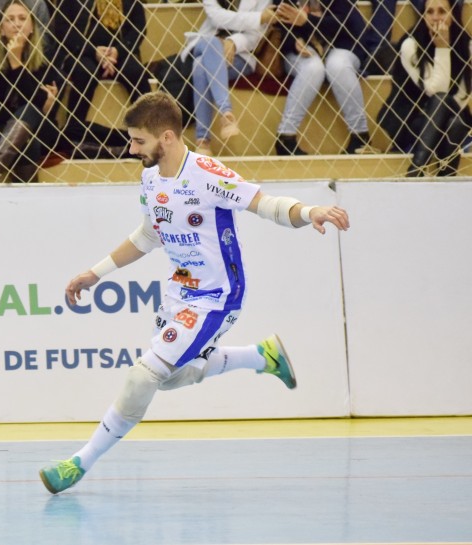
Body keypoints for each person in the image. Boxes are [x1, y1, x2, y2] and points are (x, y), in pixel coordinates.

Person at [38, 91, 350, 494]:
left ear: (166, 137)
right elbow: (149, 235)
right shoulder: (151, 177)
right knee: (166, 379)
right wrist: (95, 273)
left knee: (142, 377)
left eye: (139, 141)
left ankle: (78, 463)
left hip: (217, 297)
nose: (132, 150)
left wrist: (310, 212)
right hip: (178, 293)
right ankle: (260, 356)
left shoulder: (207, 174)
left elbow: (266, 204)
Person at [0, 0, 60, 183]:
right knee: (28, 140)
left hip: (39, 131)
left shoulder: (44, 59)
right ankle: (27, 197)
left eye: (22, 18)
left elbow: (49, 110)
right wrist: (38, 104)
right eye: (10, 19)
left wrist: (16, 63)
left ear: (32, 27)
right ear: (1, 29)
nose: (16, 23)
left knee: (30, 114)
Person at [377, 0, 471, 177]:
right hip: (410, 119)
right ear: (423, 15)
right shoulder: (410, 44)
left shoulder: (467, 45)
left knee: (456, 124)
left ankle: (424, 171)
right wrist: (442, 48)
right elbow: (435, 91)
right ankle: (433, 173)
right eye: (430, 12)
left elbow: (462, 96)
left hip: (450, 120)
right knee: (446, 108)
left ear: (453, 14)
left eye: (442, 11)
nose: (435, 18)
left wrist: (445, 45)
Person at [271, 0, 376, 155]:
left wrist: (307, 21)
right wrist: (295, 40)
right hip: (298, 50)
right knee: (313, 68)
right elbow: (280, 24)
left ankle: (360, 136)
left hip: (341, 45)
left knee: (338, 66)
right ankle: (285, 137)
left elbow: (342, 23)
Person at [56, 0, 152, 159]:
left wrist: (117, 51)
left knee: (137, 72)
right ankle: (74, 136)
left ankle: (149, 134)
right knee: (84, 73)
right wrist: (93, 51)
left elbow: (139, 28)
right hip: (82, 52)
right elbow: (62, 28)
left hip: (119, 52)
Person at [179, 0, 274, 155]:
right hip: (206, 41)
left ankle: (202, 142)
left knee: (200, 66)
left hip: (240, 54)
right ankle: (226, 112)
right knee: (212, 43)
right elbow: (217, 17)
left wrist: (233, 42)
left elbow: (256, 34)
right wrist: (257, 18)